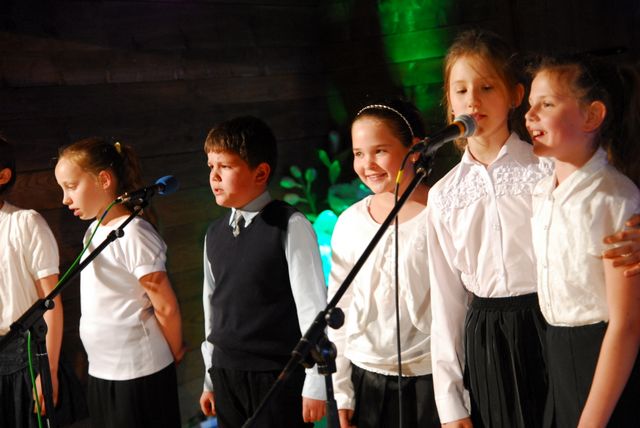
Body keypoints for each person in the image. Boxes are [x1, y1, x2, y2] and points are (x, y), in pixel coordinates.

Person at [426, 29, 640, 428]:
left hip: (552, 327)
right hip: (488, 337)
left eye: (487, 87)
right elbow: (446, 302)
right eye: (460, 90)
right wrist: (449, 399)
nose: (472, 101)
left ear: (514, 95)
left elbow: (610, 202)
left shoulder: (550, 167)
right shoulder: (443, 195)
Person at [525, 55, 640, 427]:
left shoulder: (614, 198)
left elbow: (626, 323)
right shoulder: (541, 192)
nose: (530, 115)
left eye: (546, 104)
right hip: (557, 353)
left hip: (604, 357)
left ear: (592, 116)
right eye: (530, 105)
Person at [198, 116, 328, 428]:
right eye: (211, 166)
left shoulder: (289, 225)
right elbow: (211, 309)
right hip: (226, 372)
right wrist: (210, 378)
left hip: (277, 375)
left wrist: (316, 381)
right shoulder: (214, 234)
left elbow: (313, 308)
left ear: (260, 173)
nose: (214, 176)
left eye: (225, 166)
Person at [54, 138, 185, 428]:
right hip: (103, 370)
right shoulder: (93, 230)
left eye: (71, 186)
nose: (65, 199)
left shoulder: (135, 233)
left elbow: (165, 306)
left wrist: (175, 351)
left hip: (139, 371)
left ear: (104, 180)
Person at [327, 100, 440, 428]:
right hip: (367, 378)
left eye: (379, 151)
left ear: (415, 150)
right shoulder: (351, 222)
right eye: (358, 153)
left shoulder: (441, 213)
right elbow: (340, 308)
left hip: (431, 378)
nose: (367, 164)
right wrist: (342, 391)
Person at [0, 136, 86, 427]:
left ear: (3, 175)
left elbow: (51, 302)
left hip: (26, 359)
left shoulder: (25, 223)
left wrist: (47, 371)